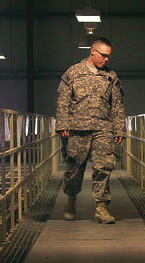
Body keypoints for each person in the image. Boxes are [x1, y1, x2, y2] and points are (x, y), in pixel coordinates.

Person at [55, 37, 126, 224]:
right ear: (92, 51)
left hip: (103, 128)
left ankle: (101, 208)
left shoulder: (111, 76)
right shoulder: (73, 72)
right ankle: (70, 199)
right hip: (77, 129)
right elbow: (63, 101)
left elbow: (117, 105)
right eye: (103, 55)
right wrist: (62, 124)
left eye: (109, 56)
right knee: (74, 168)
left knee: (104, 167)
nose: (106, 60)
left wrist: (119, 129)